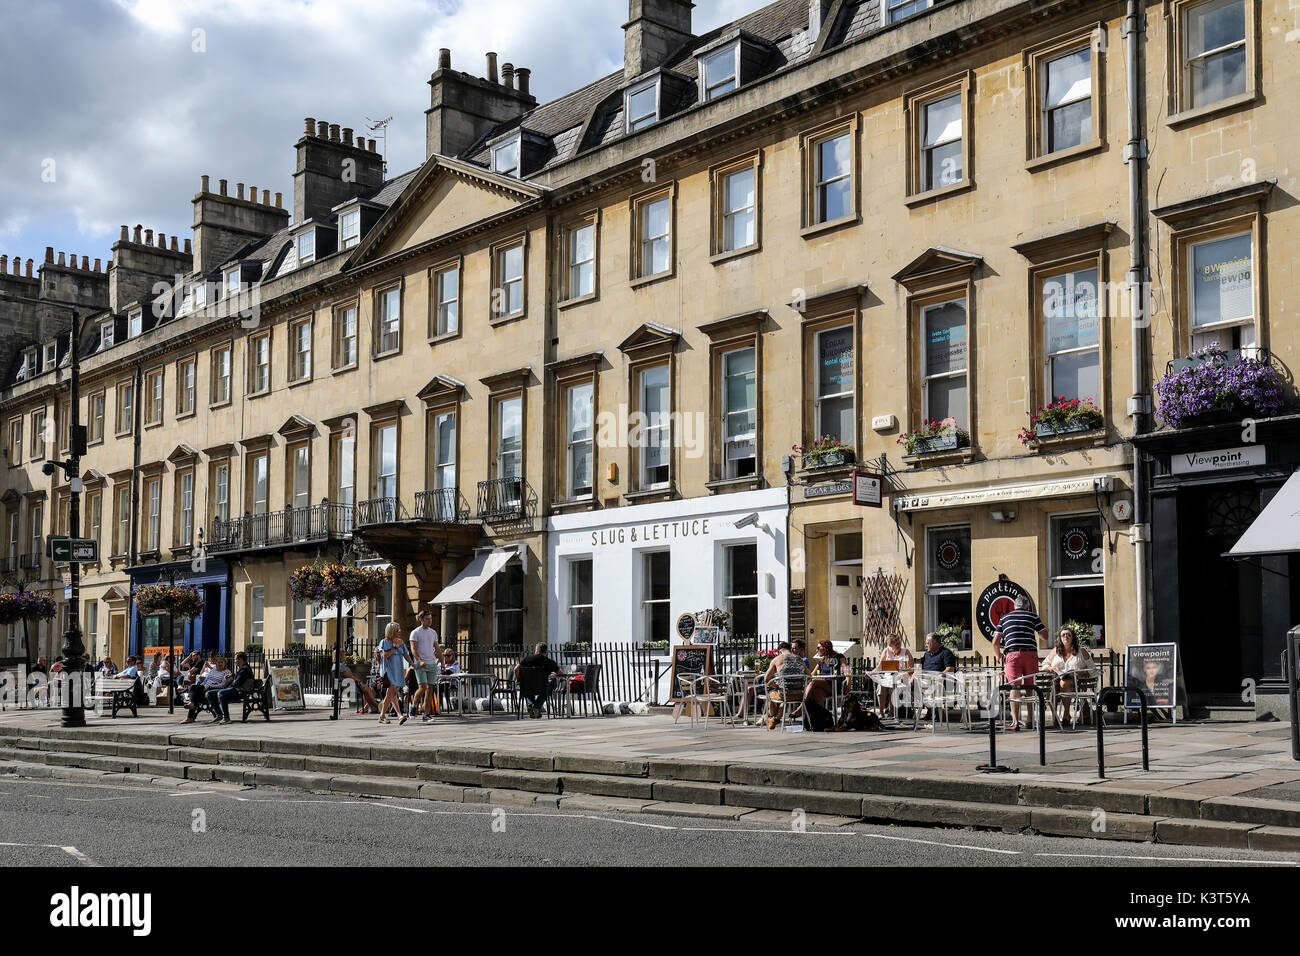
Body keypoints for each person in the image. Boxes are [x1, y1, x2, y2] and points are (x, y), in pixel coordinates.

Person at [992, 594, 1048, 731]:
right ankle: (1030, 720)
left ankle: (1015, 722)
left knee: (1014, 688)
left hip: (1012, 654)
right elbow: (1045, 636)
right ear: (1027, 606)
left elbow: (995, 642)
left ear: (1014, 606)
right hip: (1030, 654)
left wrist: (998, 655)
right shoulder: (1033, 616)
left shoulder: (1004, 618)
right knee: (1030, 688)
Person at [1042, 626, 1095, 724]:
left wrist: (1082, 671)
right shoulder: (1055, 651)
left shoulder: (1081, 651)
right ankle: (1055, 716)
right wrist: (1050, 668)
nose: (1065, 637)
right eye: (1063, 635)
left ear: (1073, 638)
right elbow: (1044, 665)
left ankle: (1066, 714)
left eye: (1068, 635)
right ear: (1060, 638)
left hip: (1076, 683)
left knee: (1064, 683)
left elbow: (1093, 669)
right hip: (1057, 679)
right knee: (1052, 687)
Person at [762, 641, 810, 728]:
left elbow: (766, 679)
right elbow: (809, 676)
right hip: (800, 695)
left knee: (770, 694)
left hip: (785, 694)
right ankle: (775, 719)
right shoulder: (800, 659)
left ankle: (772, 717)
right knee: (786, 696)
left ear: (780, 651)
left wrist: (775, 686)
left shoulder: (777, 659)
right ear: (790, 649)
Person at [408, 609, 441, 722]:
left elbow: (437, 648)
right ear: (421, 620)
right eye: (427, 619)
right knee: (422, 687)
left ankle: (426, 714)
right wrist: (419, 660)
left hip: (432, 663)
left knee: (430, 689)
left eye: (430, 619)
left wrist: (443, 663)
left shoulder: (433, 632)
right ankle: (413, 706)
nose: (429, 621)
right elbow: (413, 649)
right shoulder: (415, 632)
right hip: (420, 664)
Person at [514, 643, 563, 718]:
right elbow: (560, 673)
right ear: (545, 652)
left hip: (528, 686)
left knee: (527, 690)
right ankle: (536, 707)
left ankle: (531, 706)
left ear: (536, 650)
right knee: (548, 689)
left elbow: (516, 669)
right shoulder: (548, 661)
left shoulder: (527, 658)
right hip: (542, 687)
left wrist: (518, 679)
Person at [376, 622, 412, 725]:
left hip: (397, 670)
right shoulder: (384, 642)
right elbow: (385, 655)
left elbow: (405, 654)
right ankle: (399, 715)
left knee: (390, 694)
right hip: (388, 671)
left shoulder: (401, 641)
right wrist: (395, 647)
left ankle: (382, 716)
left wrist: (412, 663)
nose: (399, 631)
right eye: (397, 629)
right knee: (393, 692)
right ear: (392, 631)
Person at [181, 655, 231, 724]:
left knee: (195, 696)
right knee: (193, 687)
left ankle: (190, 717)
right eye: (218, 662)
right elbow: (206, 679)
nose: (219, 664)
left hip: (212, 690)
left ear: (225, 663)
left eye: (221, 662)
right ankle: (191, 707)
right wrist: (201, 686)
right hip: (204, 688)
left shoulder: (227, 672)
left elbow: (223, 685)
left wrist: (211, 686)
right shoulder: (213, 670)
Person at [805, 639, 848, 717]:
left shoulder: (839, 657)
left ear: (826, 648)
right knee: (817, 692)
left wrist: (848, 683)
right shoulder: (822, 661)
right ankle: (822, 717)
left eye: (818, 648)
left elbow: (846, 669)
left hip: (835, 685)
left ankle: (803, 705)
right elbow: (811, 675)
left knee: (814, 682)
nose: (816, 650)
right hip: (824, 686)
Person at [209, 653, 256, 724]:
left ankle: (226, 718)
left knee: (221, 693)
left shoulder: (245, 669)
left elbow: (237, 683)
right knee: (209, 694)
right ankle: (219, 715)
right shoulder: (242, 668)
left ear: (240, 660)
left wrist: (227, 686)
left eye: (236, 659)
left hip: (241, 691)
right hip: (237, 689)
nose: (235, 661)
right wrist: (232, 675)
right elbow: (238, 677)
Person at [873, 635, 914, 715]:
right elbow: (879, 667)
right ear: (890, 645)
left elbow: (912, 668)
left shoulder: (906, 652)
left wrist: (904, 674)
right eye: (896, 644)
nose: (899, 645)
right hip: (887, 677)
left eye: (899, 643)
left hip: (900, 678)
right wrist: (871, 673)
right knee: (881, 686)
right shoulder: (886, 651)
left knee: (893, 686)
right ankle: (881, 713)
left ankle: (891, 712)